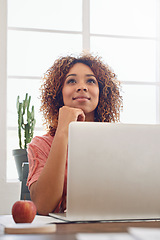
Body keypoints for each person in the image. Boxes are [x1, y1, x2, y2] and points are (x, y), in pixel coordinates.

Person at [26, 53, 123, 215]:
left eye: (91, 81)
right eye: (71, 81)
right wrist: (63, 130)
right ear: (59, 92)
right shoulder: (41, 145)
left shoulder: (118, 141)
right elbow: (43, 205)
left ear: (102, 92)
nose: (82, 87)